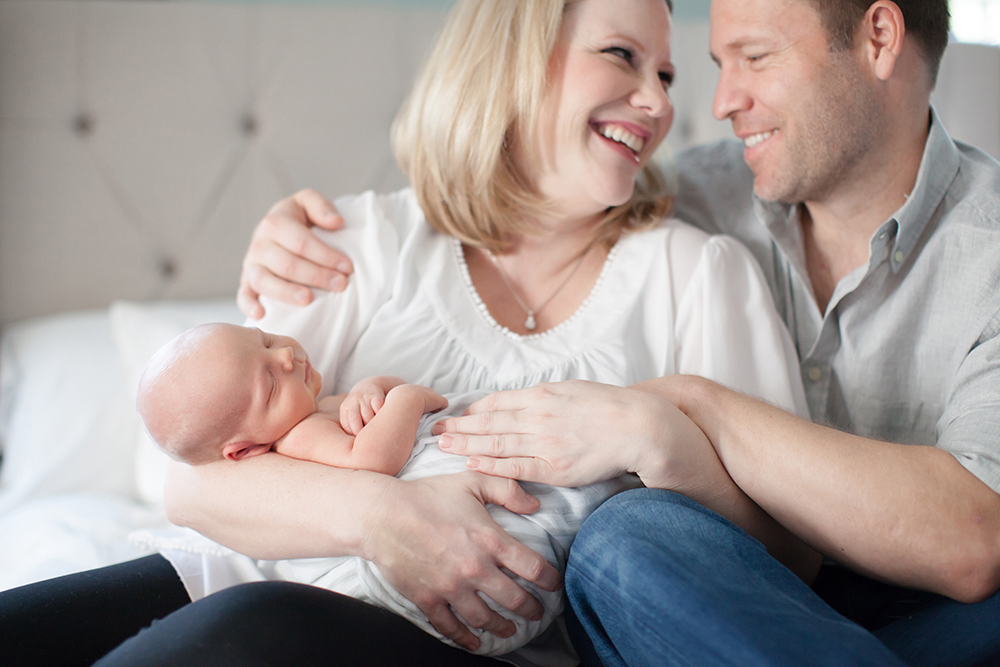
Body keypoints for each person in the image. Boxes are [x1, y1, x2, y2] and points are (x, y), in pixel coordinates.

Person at [0, 1, 814, 665]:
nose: (662, 103)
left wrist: (661, 441)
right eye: (623, 56)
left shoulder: (700, 274)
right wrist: (385, 518)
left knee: (254, 629)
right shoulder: (362, 241)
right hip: (229, 570)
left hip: (458, 636)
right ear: (515, 59)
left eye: (667, 74)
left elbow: (789, 556)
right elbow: (196, 482)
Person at [239, 0, 1000, 665]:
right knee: (626, 538)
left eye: (756, 58)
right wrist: (285, 239)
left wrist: (683, 407)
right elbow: (542, 185)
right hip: (696, 603)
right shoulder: (689, 188)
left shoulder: (985, 247)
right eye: (705, 66)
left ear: (878, 36)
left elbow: (976, 537)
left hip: (932, 612)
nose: (719, 102)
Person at [133, 323, 641, 656]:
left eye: (265, 339)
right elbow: (372, 460)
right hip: (424, 587)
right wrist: (404, 397)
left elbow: (367, 424)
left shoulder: (309, 408)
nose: (286, 356)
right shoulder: (298, 434)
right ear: (243, 451)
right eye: (268, 380)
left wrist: (370, 389)